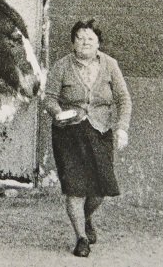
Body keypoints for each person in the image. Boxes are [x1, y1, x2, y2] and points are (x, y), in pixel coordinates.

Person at [43, 19, 132, 257]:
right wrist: (58, 112)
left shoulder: (110, 65)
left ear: (98, 43)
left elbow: (124, 99)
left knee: (101, 188)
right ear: (73, 42)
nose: (84, 42)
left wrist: (122, 128)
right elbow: (49, 97)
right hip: (68, 134)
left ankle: (87, 217)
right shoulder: (61, 66)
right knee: (75, 189)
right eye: (80, 38)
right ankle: (81, 238)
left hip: (100, 131)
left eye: (90, 39)